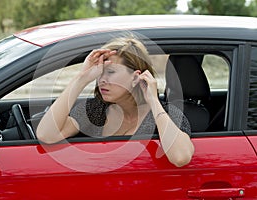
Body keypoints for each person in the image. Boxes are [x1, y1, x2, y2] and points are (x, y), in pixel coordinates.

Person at [36, 35, 194, 167]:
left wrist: (153, 101)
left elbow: (181, 157)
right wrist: (81, 78)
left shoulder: (165, 114)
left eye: (110, 72)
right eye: (100, 72)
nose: (102, 80)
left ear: (135, 77)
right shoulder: (96, 109)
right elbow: (47, 135)